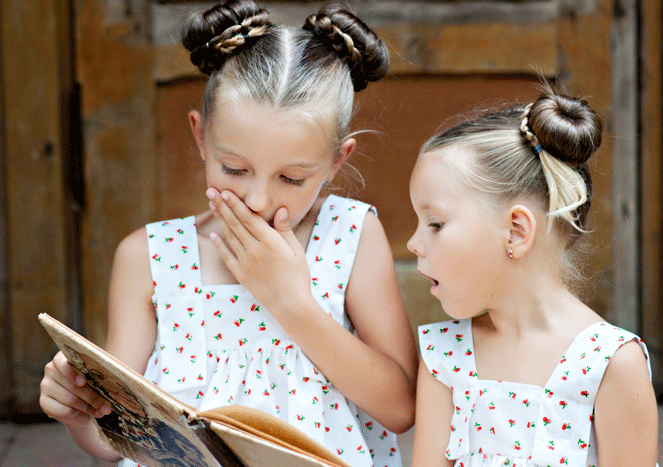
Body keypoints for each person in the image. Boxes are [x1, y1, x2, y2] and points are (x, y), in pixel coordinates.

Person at [40, 1, 418, 466]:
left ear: (337, 161)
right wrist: (80, 414)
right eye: (234, 168)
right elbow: (119, 440)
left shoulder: (351, 236)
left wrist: (290, 302)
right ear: (201, 138)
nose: (257, 199)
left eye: (292, 178)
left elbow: (400, 408)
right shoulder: (149, 257)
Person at [407, 85, 658, 467]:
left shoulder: (611, 365)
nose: (413, 243)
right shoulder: (444, 358)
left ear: (516, 232)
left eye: (436, 223)